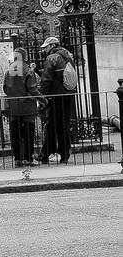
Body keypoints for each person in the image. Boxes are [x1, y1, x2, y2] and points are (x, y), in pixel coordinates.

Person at [37, 35, 76, 165]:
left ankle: (45, 154)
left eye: (46, 47)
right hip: (68, 94)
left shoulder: (52, 57)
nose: (44, 50)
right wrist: (38, 70)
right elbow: (60, 73)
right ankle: (65, 154)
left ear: (52, 46)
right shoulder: (68, 56)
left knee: (51, 125)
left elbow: (47, 78)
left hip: (54, 96)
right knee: (64, 125)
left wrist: (42, 96)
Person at [2, 48, 39, 167]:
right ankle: (28, 158)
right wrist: (43, 100)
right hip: (27, 106)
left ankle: (17, 158)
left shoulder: (9, 71)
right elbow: (33, 89)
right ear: (25, 57)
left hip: (13, 107)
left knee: (15, 134)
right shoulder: (28, 71)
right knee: (28, 134)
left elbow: (5, 89)